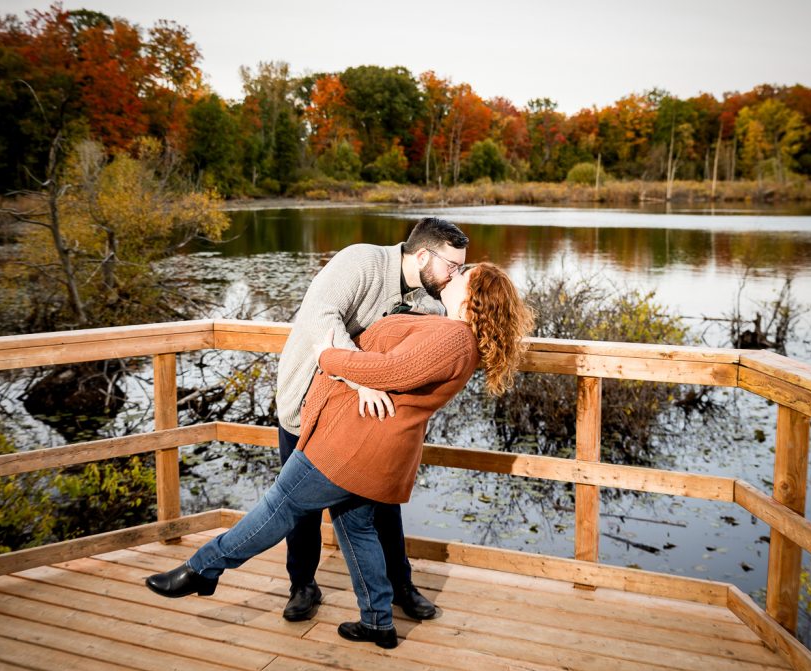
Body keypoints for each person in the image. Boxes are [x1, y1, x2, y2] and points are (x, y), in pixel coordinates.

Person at [146, 263, 534, 649]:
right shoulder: (450, 330)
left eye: (464, 273)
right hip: (372, 449)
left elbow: (391, 369)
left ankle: (202, 569)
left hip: (350, 448)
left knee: (275, 510)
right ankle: (378, 622)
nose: (456, 273)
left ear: (473, 295)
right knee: (357, 530)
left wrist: (327, 354)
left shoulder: (454, 338)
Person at [273, 217, 469, 623]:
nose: (456, 276)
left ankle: (401, 587)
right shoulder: (360, 262)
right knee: (300, 505)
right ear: (422, 255)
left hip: (366, 417)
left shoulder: (431, 302)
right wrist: (361, 377)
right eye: (452, 266)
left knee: (383, 504)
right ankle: (302, 585)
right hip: (306, 399)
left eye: (461, 269)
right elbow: (320, 319)